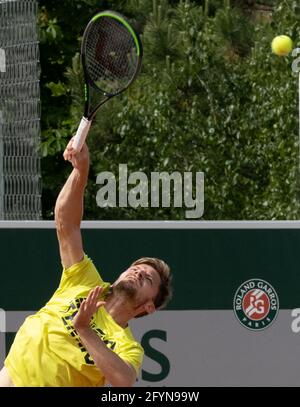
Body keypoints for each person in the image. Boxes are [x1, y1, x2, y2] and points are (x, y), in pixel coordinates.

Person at [0, 140, 172, 387]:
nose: (137, 273)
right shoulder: (86, 280)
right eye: (135, 269)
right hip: (9, 377)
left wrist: (84, 329)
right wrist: (80, 172)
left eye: (147, 279)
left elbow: (124, 381)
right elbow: (65, 223)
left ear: (149, 306)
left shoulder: (128, 347)